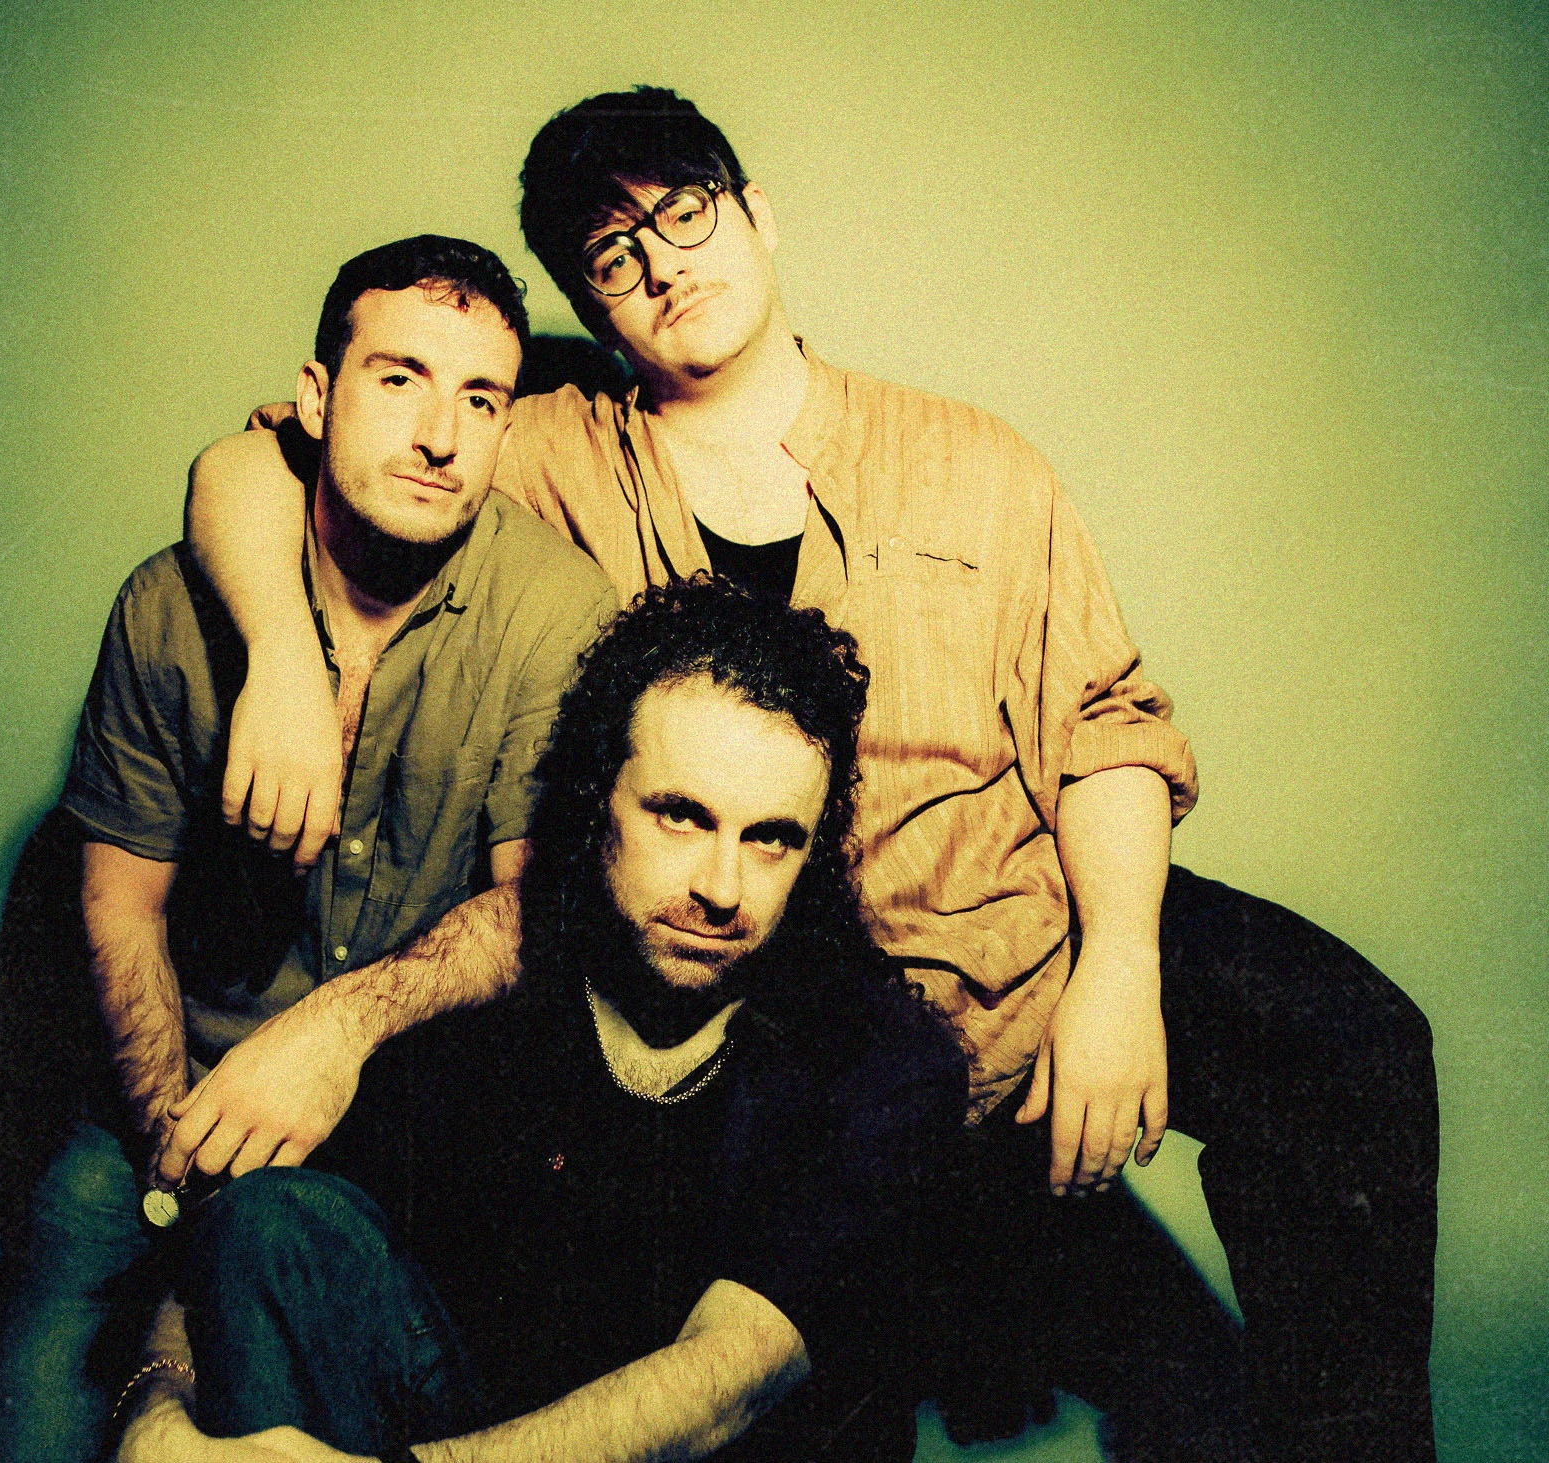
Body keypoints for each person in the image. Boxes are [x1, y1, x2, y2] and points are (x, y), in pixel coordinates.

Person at [181, 89, 1439, 1461]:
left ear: (757, 215)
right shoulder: (541, 452)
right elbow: (269, 459)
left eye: (685, 213)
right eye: (614, 255)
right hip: (782, 1006)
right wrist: (282, 661)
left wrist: (1120, 967)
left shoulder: (972, 458)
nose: (665, 265)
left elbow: (1105, 724)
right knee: (818, 1362)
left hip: (1026, 936)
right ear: (591, 308)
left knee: (1350, 1042)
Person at [0, 233, 617, 1463]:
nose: (439, 434)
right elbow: (118, 904)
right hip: (158, 1088)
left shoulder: (555, 611)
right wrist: (175, 1134)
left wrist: (333, 1034)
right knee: (21, 1415)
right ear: (315, 398)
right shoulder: (171, 605)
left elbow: (534, 911)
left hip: (391, 1117)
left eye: (480, 399)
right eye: (399, 378)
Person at [112, 578, 967, 1463]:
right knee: (276, 1223)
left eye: (771, 838)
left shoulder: (884, 1065)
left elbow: (723, 1382)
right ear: (599, 800)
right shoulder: (500, 1005)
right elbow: (238, 1238)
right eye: (681, 816)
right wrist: (157, 1409)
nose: (722, 887)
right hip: (477, 1430)